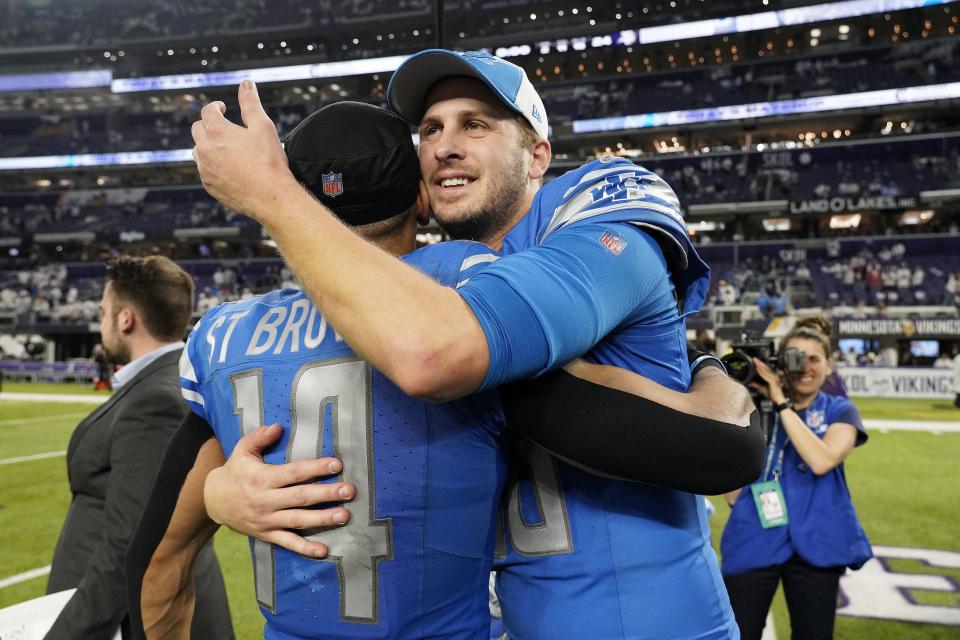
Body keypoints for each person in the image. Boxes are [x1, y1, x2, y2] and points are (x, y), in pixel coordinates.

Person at [134, 101, 760, 638]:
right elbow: (711, 448)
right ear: (420, 197)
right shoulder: (455, 297)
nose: (448, 147)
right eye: (431, 131)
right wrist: (714, 373)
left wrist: (219, 495)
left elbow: (155, 566)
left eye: (475, 126)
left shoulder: (222, 334)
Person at [44, 256, 233, 640]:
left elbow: (129, 546)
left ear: (126, 319)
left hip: (139, 621)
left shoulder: (154, 401)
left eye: (103, 313)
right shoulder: (170, 382)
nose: (101, 325)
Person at [720, 316, 872, 640]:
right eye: (795, 358)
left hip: (818, 543)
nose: (805, 367)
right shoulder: (753, 409)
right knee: (738, 634)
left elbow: (821, 460)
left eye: (814, 359)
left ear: (830, 365)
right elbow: (732, 489)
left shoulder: (840, 410)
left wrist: (780, 400)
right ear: (778, 363)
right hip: (755, 535)